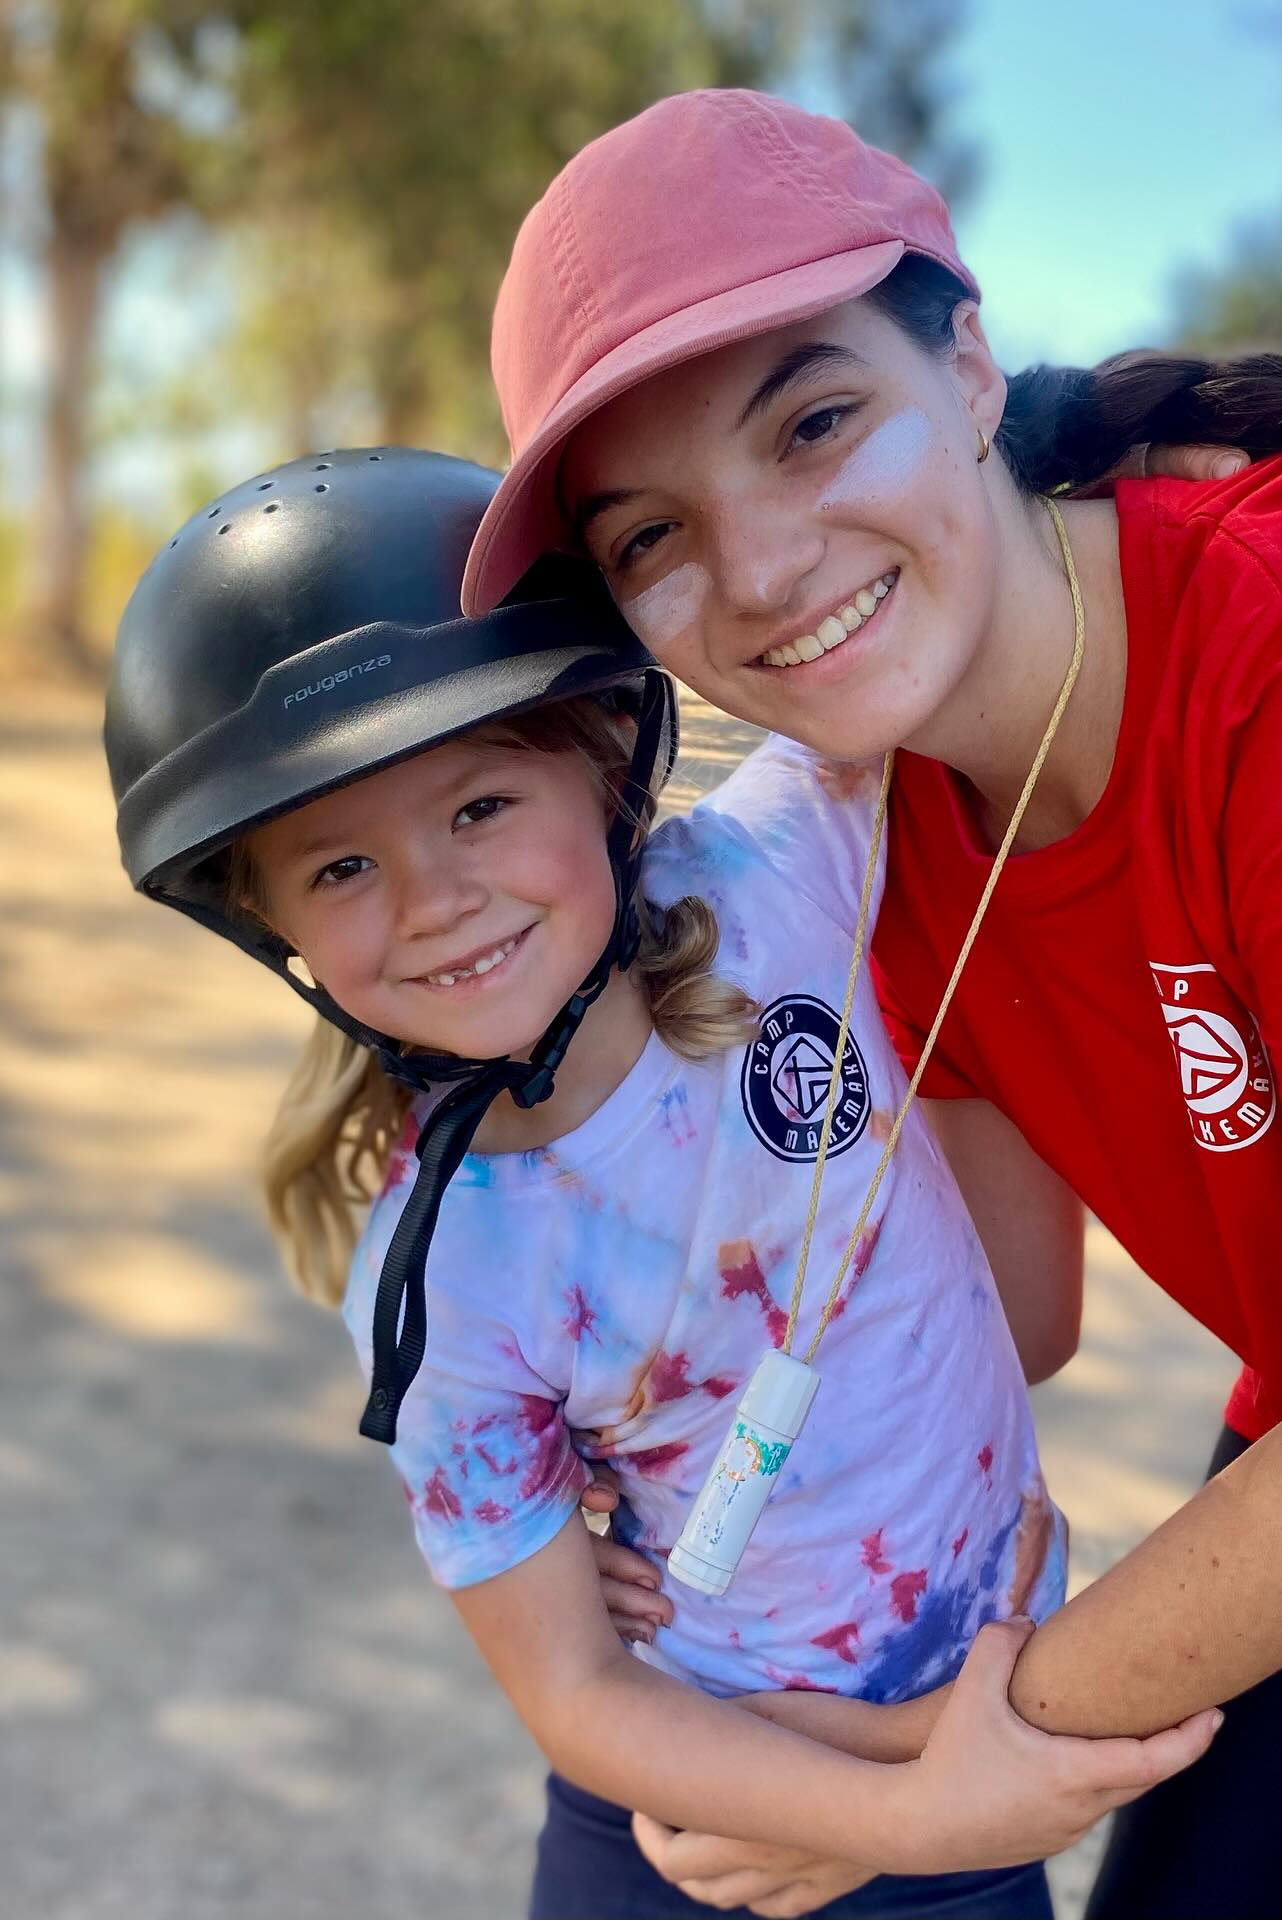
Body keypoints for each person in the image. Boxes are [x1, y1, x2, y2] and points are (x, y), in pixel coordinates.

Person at [458, 89, 1282, 1920]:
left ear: (969, 366)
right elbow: (1010, 1306)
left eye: (815, 423)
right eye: (652, 536)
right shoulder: (878, 821)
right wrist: (625, 1422)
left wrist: (926, 1778)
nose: (761, 571)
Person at [105, 447, 1221, 1920]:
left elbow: (938, 630)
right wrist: (912, 1816)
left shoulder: (772, 875)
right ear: (273, 927)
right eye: (339, 870)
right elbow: (574, 1688)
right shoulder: (439, 1291)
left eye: (479, 807)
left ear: (603, 760)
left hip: (948, 1782)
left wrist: (1126, 438)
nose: (435, 900)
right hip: (701, 1821)